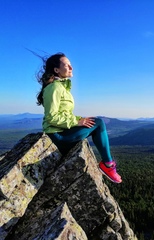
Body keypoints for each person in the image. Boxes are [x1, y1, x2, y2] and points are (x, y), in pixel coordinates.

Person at [36, 52, 122, 183]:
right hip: (58, 136)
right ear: (56, 70)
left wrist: (81, 119)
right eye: (67, 65)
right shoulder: (54, 88)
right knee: (98, 123)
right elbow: (51, 117)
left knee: (95, 121)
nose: (71, 68)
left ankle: (108, 164)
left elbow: (64, 114)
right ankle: (108, 165)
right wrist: (77, 121)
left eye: (71, 65)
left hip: (61, 132)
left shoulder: (61, 87)